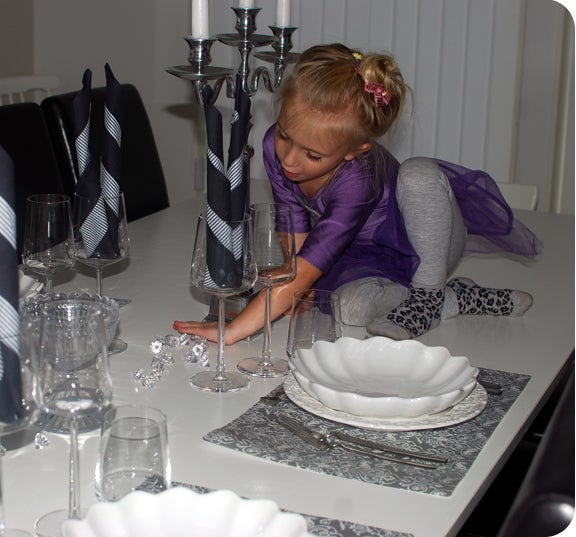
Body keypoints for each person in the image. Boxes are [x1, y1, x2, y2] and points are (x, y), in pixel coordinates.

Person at [174, 43, 540, 344]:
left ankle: (429, 294)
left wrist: (235, 331)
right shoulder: (273, 147)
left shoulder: (359, 178)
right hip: (358, 252)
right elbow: (294, 227)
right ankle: (453, 297)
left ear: (355, 150)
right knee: (347, 310)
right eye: (285, 135)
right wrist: (295, 289)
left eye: (312, 155)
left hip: (425, 238)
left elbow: (307, 266)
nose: (289, 158)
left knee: (420, 175)